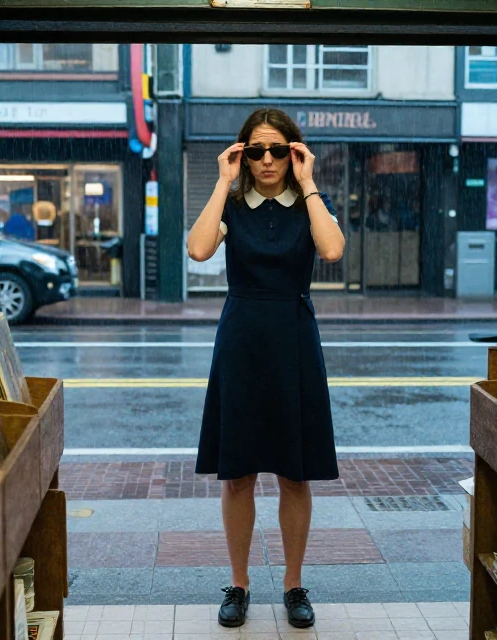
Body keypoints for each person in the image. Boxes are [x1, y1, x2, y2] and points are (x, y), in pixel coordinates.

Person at [186, 108, 345, 630]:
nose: (268, 159)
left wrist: (311, 182)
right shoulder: (233, 203)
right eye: (256, 150)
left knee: (295, 474)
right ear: (242, 154)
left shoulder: (309, 205)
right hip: (241, 342)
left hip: (295, 340)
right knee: (237, 476)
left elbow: (332, 248)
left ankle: (293, 584)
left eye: (279, 149)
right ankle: (239, 583)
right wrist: (221, 180)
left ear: (295, 152)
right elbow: (199, 247)